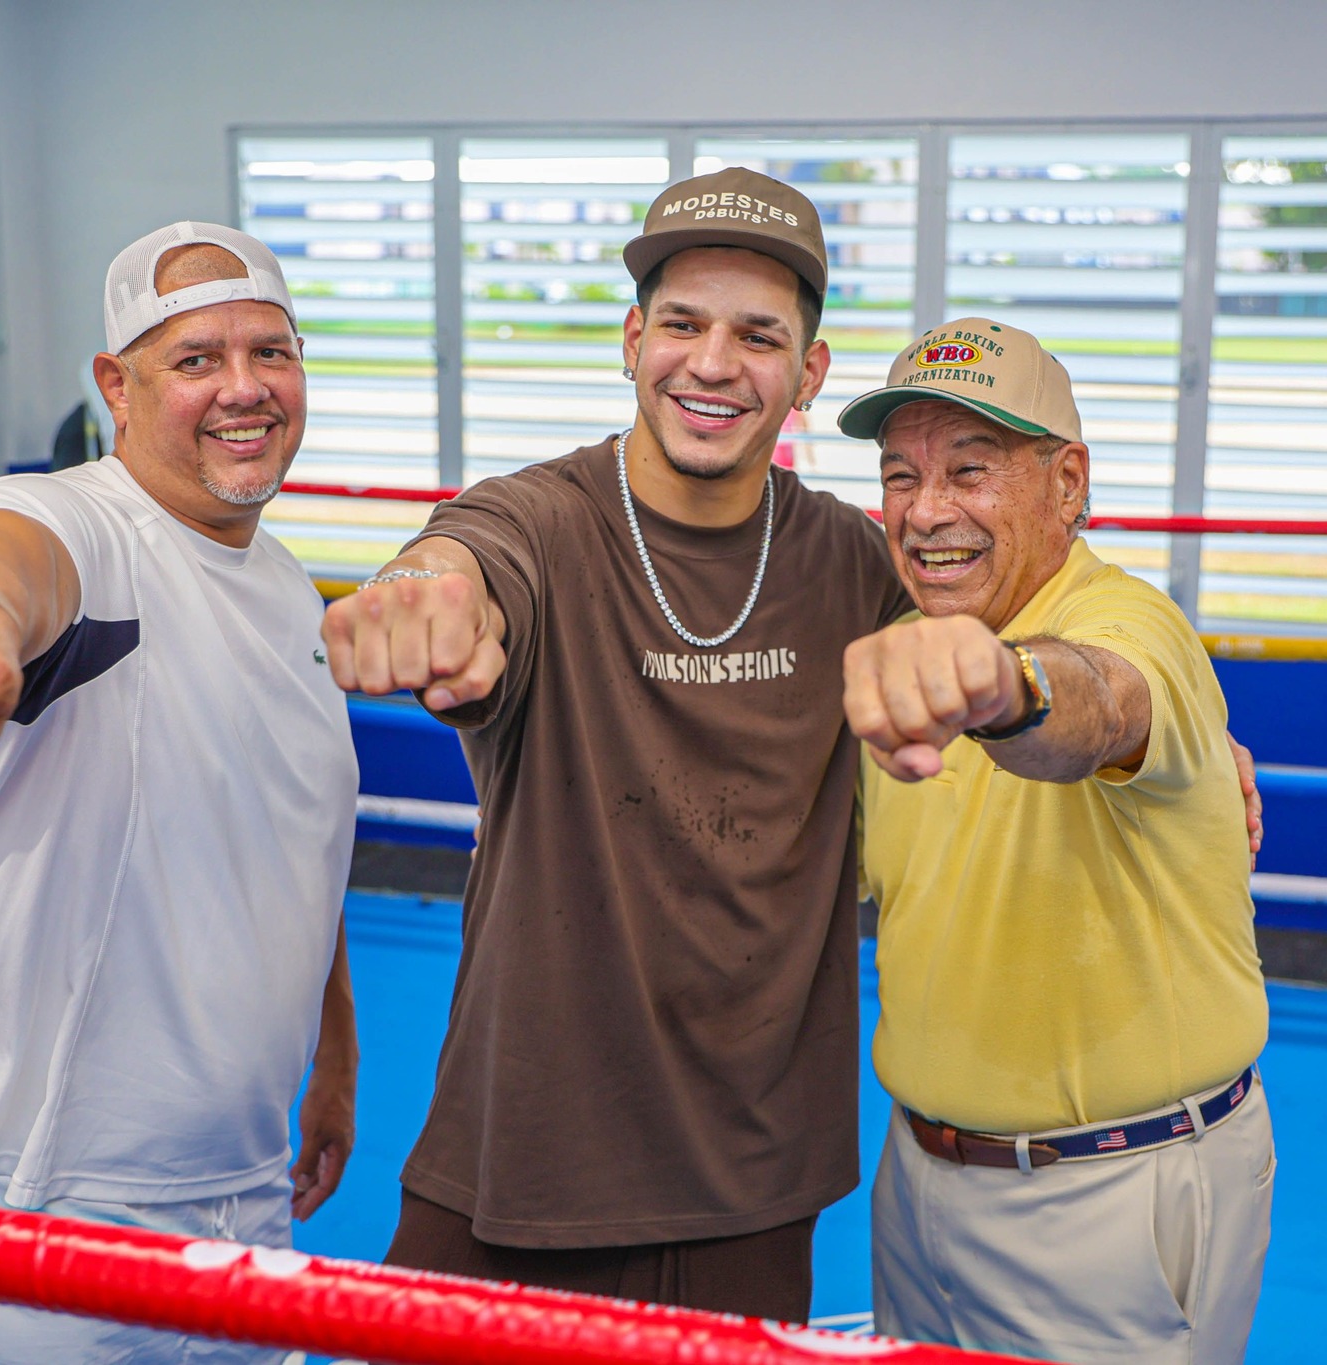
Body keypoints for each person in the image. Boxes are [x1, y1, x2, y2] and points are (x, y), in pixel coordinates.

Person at [322, 167, 907, 1322]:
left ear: (808, 374)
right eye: (681, 325)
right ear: (632, 339)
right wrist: (423, 597)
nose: (711, 364)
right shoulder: (542, 519)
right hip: (520, 1153)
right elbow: (460, 560)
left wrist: (1175, 715)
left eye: (757, 335)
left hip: (749, 1171)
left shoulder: (853, 563)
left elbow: (1034, 645)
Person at [0, 222, 361, 1365]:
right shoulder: (88, 528)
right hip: (16, 1204)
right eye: (195, 360)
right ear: (115, 388)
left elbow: (292, 840)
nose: (244, 388)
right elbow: (9, 558)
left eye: (270, 352)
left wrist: (337, 1060)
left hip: (239, 1196)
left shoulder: (282, 586)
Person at [839, 319, 1273, 1365]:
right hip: (915, 1176)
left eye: (970, 471)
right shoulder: (897, 650)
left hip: (1109, 1196)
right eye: (900, 477)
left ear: (1066, 484)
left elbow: (1097, 704)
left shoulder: (1129, 622)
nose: (927, 509)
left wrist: (1004, 687)